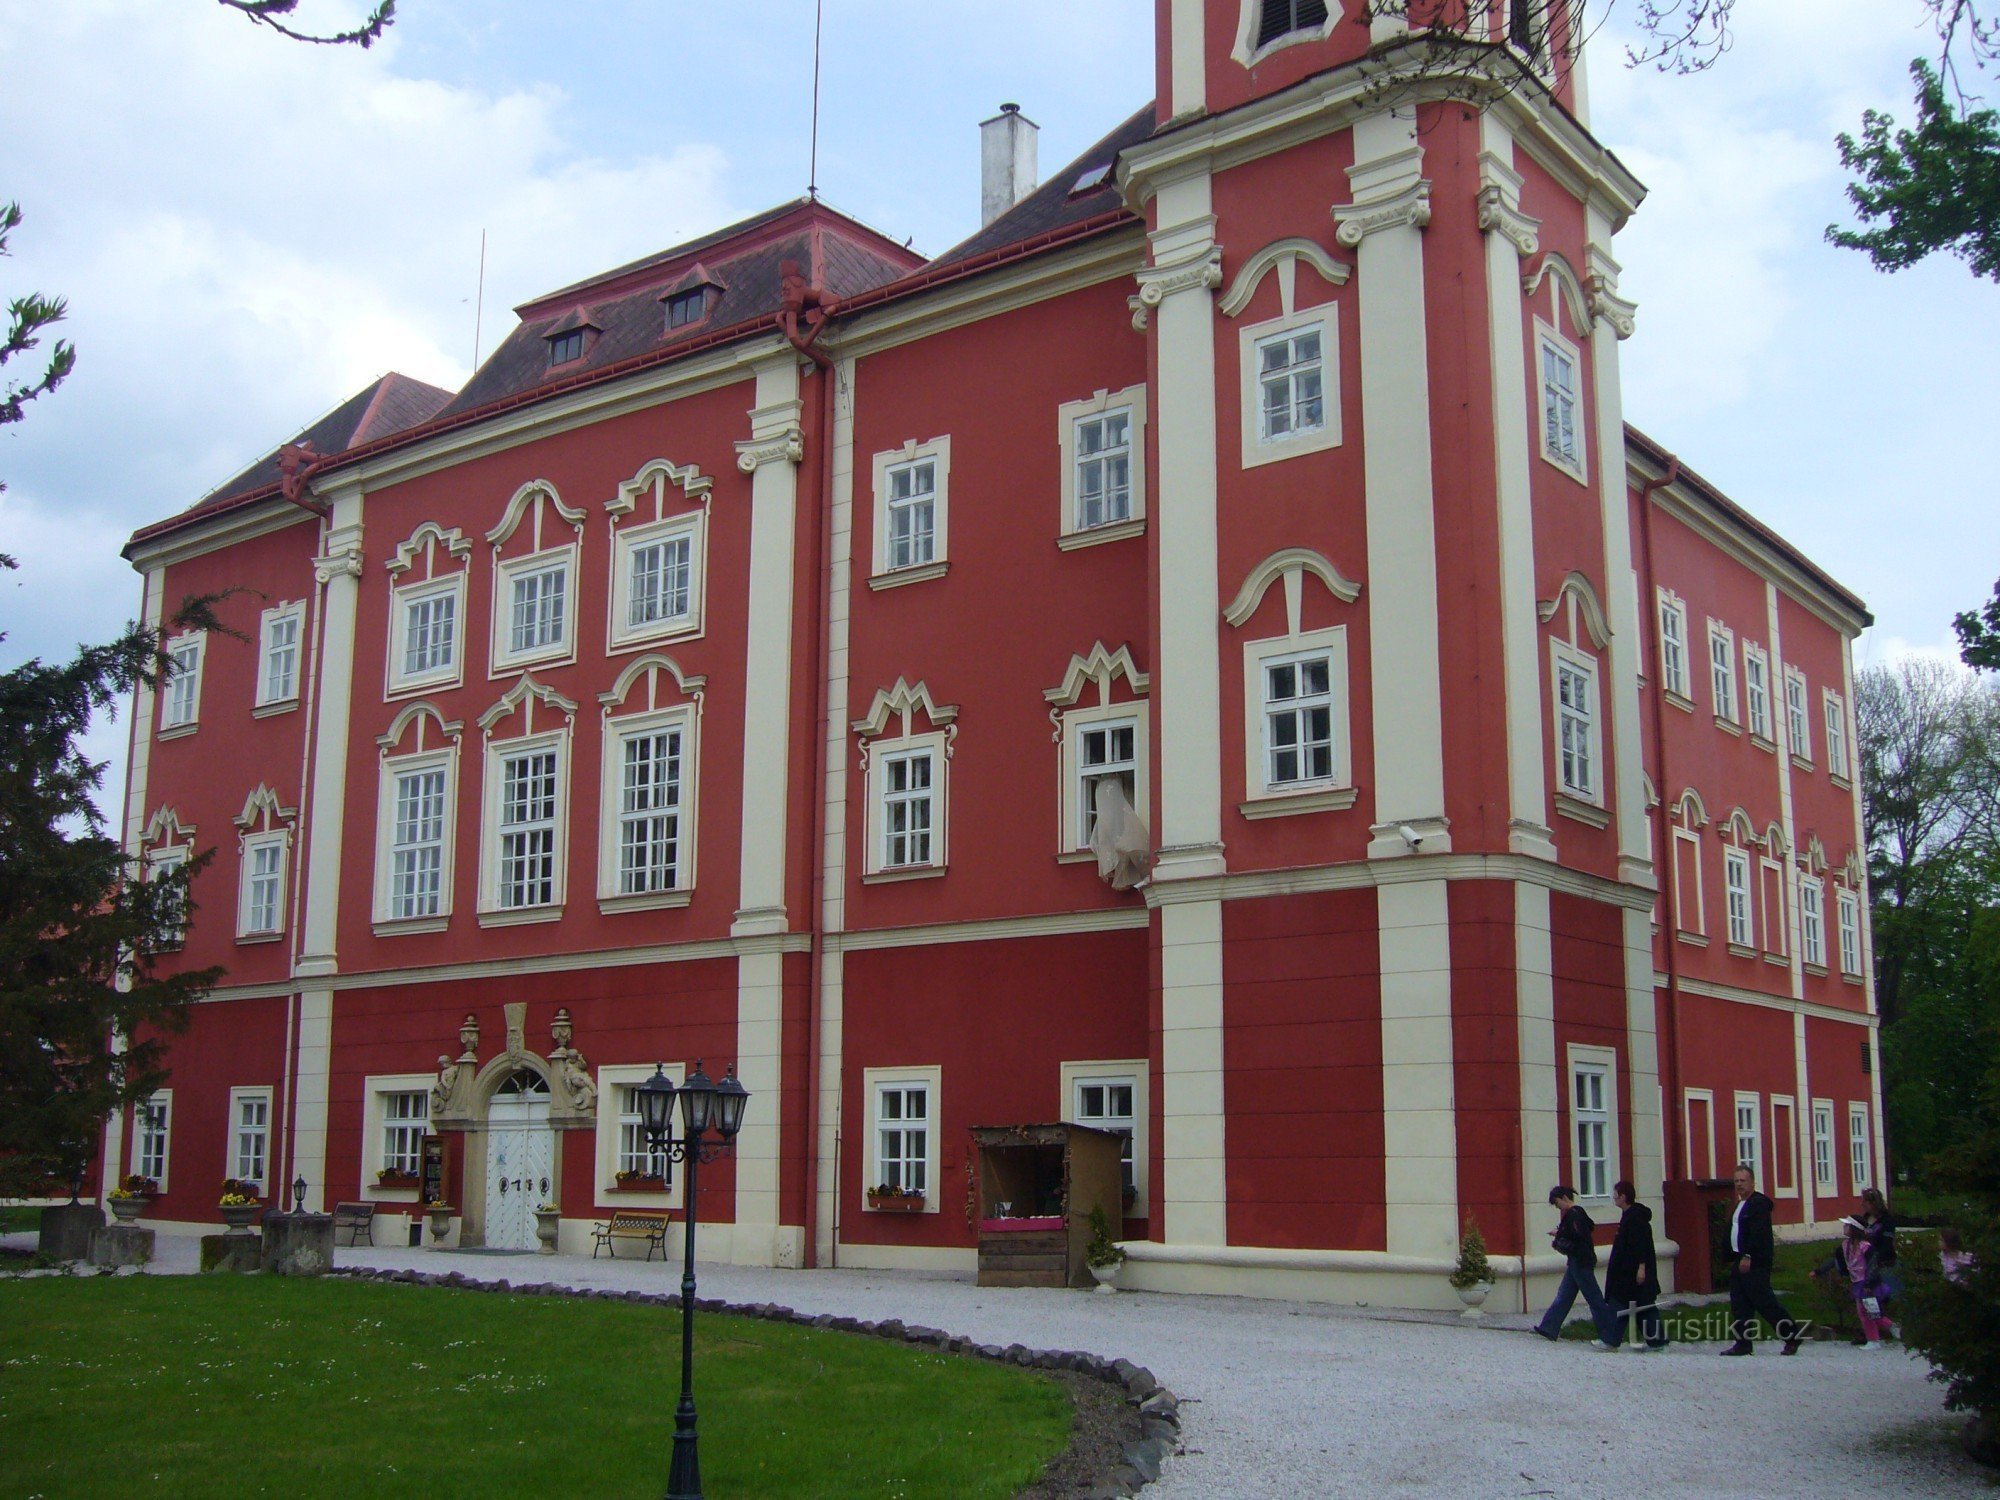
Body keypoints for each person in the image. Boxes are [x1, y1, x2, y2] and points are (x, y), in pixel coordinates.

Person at [1721, 1162, 1803, 1356]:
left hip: (1754, 1262)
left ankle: (1791, 1335)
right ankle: (1743, 1343)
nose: (1739, 1184)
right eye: (1736, 1181)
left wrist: (1748, 1255)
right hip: (1739, 1259)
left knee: (1764, 1301)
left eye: (1743, 1181)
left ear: (1752, 1182)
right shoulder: (1741, 1204)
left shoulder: (1758, 1204)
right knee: (1740, 1304)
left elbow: (1758, 1234)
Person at [1534, 1185, 1619, 1348]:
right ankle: (1548, 1327)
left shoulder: (1573, 1214)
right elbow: (1586, 1229)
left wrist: (1559, 1234)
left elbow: (1577, 1235)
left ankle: (1610, 1335)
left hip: (1580, 1261)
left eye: (1557, 1202)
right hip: (1578, 1260)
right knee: (1564, 1296)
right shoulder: (1578, 1213)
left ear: (1564, 1198)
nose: (1556, 1206)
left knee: (1594, 1299)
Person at [1604, 1180, 1669, 1350]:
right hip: (1628, 1271)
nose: (1614, 1198)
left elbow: (1641, 1245)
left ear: (1623, 1197)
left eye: (1616, 1195)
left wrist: (1641, 1268)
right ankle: (1656, 1342)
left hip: (1632, 1272)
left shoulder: (1635, 1218)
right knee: (1640, 1306)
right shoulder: (1630, 1216)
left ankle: (1611, 1340)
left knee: (1627, 1303)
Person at [1840, 1216, 1889, 1349]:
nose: (1844, 1227)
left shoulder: (1865, 1246)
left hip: (1866, 1283)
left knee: (1868, 1311)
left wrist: (1869, 1283)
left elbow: (1873, 1265)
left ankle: (1874, 1339)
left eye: (1847, 1225)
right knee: (1866, 1312)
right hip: (1857, 1283)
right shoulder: (1846, 1245)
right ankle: (1889, 1327)